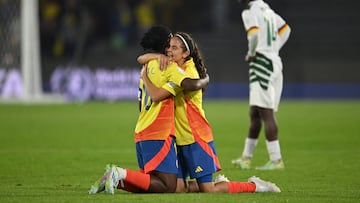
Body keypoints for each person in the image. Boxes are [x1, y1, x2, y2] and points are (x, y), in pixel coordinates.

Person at [138, 32, 281, 193]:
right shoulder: (175, 67)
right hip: (179, 139)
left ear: (186, 53)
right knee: (178, 188)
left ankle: (255, 186)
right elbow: (141, 58)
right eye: (169, 47)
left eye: (174, 48)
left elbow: (189, 85)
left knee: (209, 190)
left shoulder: (188, 71)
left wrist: (204, 80)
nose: (169, 51)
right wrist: (156, 56)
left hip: (195, 137)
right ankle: (223, 183)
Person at [88, 25, 209, 194]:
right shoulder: (167, 66)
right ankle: (119, 173)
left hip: (141, 129)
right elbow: (189, 84)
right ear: (165, 44)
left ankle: (115, 179)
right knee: (168, 186)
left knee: (151, 185)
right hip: (158, 131)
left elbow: (140, 103)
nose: (170, 48)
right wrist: (205, 79)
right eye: (170, 44)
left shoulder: (145, 66)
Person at [232, 0, 291, 170]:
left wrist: (252, 53)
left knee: (266, 113)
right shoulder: (269, 11)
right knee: (255, 112)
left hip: (261, 64)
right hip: (275, 62)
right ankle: (246, 158)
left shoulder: (249, 12)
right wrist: (273, 48)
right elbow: (286, 30)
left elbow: (254, 35)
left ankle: (276, 159)